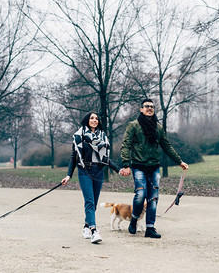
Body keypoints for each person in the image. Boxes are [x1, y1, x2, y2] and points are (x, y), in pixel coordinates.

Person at [120, 98, 188, 238]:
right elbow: (126, 144)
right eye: (146, 106)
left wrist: (179, 161)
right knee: (140, 195)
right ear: (141, 109)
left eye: (152, 106)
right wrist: (126, 164)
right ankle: (134, 219)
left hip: (154, 167)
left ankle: (150, 228)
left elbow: (166, 146)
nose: (149, 108)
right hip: (138, 166)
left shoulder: (158, 127)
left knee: (153, 197)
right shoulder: (133, 125)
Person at [61, 112, 120, 244]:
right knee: (89, 201)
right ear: (87, 120)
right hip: (84, 171)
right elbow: (74, 157)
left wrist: (118, 169)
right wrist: (68, 175)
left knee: (94, 203)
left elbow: (105, 158)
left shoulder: (103, 137)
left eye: (96, 119)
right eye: (92, 118)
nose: (94, 120)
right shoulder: (78, 136)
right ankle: (94, 231)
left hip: (98, 171)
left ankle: (86, 226)